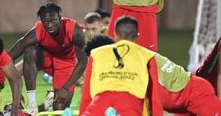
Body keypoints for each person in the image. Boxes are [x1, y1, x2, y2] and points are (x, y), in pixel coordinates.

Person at [81, 17, 221, 116]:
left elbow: (151, 99)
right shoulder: (130, 61)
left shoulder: (137, 60)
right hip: (181, 106)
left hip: (195, 94)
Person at [8, 2, 87, 115]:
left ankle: (48, 102)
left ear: (60, 18)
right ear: (41, 21)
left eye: (53, 21)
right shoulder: (38, 30)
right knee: (30, 50)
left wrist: (65, 87)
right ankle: (32, 104)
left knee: (59, 109)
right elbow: (10, 56)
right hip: (47, 59)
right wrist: (15, 91)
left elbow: (83, 61)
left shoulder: (74, 30)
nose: (49, 25)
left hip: (65, 64)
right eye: (45, 22)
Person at [79, 16, 163, 116]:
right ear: (137, 36)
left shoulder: (96, 53)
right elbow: (154, 97)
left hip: (100, 103)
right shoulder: (147, 55)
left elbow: (86, 94)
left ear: (115, 35)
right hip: (131, 103)